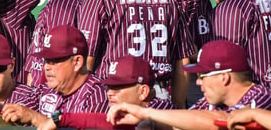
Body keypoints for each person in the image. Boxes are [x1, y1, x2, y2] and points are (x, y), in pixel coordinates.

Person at [106, 40, 271, 130]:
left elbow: (223, 121)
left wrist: (147, 113)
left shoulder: (261, 97)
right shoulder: (212, 102)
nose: (198, 82)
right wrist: (151, 123)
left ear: (224, 77)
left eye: (202, 75)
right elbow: (183, 124)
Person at [1, 25, 108, 127]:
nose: (47, 67)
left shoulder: (97, 95)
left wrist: (35, 118)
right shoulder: (47, 89)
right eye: (46, 60)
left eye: (54, 61)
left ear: (77, 62)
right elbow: (21, 108)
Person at [38, 55, 176, 130]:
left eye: (118, 87)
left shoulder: (161, 108)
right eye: (109, 87)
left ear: (143, 91)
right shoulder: (121, 114)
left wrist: (64, 119)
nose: (110, 93)